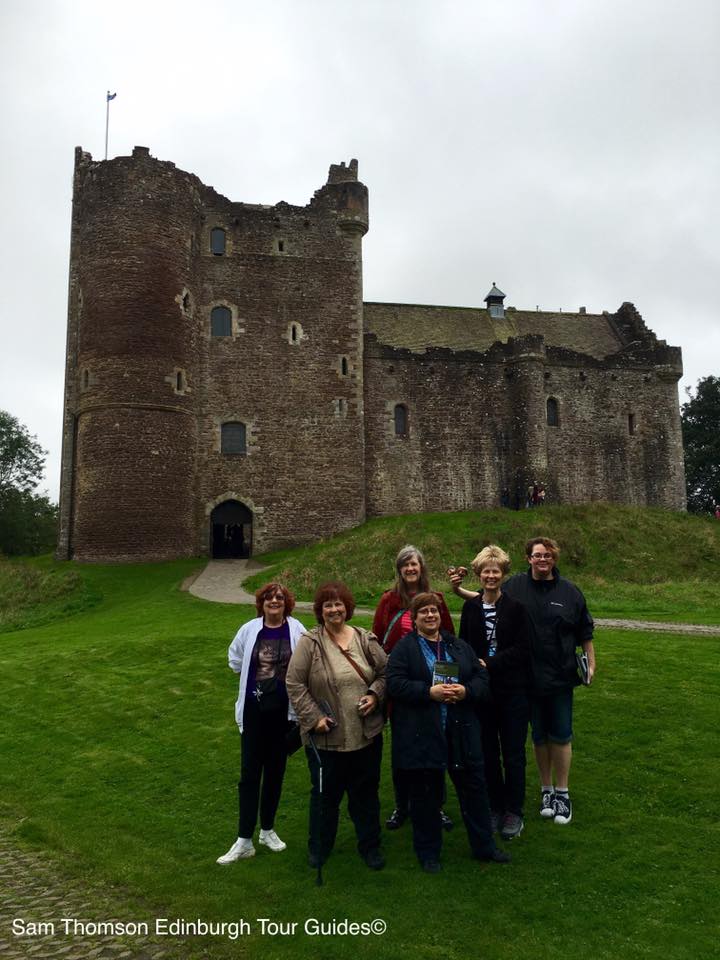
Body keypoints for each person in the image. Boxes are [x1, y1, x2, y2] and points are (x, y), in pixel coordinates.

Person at [386, 593, 510, 873]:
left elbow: (481, 678)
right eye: (424, 612)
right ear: (414, 619)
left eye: (434, 611)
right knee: (426, 795)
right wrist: (428, 692)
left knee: (475, 790)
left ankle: (484, 847)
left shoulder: (457, 646)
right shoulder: (404, 649)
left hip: (460, 730)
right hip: (424, 733)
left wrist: (466, 691)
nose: (430, 616)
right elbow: (394, 683)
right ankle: (428, 852)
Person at [286, 581, 387, 871]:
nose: (334, 610)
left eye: (339, 604)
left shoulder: (364, 639)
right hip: (327, 738)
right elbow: (294, 682)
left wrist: (374, 695)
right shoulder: (310, 642)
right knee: (324, 796)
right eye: (328, 605)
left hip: (365, 735)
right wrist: (313, 717)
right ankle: (319, 847)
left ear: (347, 608)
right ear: (320, 611)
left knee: (365, 795)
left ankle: (370, 846)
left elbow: (385, 672)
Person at [502, 537, 595, 826]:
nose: (543, 560)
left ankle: (563, 793)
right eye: (537, 555)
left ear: (554, 559)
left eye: (547, 556)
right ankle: (546, 789)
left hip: (560, 676)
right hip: (527, 677)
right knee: (539, 736)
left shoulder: (570, 592)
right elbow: (486, 597)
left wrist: (591, 663)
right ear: (528, 558)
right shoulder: (514, 586)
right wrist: (456, 589)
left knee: (562, 735)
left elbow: (584, 631)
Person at [217, 583, 305, 864]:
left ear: (287, 603)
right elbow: (234, 659)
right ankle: (244, 839)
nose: (274, 601)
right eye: (269, 597)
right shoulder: (250, 629)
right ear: (262, 603)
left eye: (280, 597)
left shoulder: (296, 629)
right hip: (255, 713)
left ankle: (267, 829)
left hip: (283, 715)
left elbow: (305, 663)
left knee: (275, 772)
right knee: (249, 774)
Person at [372, 544, 455, 831]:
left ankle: (437, 805)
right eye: (405, 565)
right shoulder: (388, 602)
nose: (410, 569)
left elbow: (448, 640)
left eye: (414, 564)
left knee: (436, 744)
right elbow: (377, 641)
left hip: (435, 684)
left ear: (422, 569)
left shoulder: (437, 600)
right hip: (403, 684)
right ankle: (402, 804)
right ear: (399, 570)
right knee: (403, 746)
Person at [451, 546, 531, 840]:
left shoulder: (516, 608)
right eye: (486, 571)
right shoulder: (471, 608)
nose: (491, 576)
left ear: (503, 574)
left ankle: (514, 811)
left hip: (512, 691)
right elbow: (463, 645)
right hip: (483, 693)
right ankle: (495, 805)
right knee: (487, 752)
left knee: (513, 754)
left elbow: (524, 648)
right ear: (478, 574)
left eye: (496, 571)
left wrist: (490, 663)